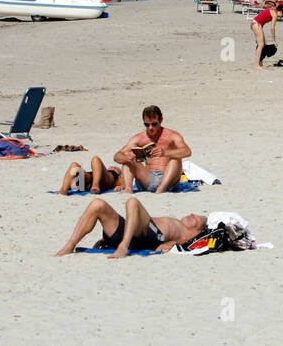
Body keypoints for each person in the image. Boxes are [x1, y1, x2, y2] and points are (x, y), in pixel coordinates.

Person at [54, 198, 207, 259]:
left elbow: (175, 246)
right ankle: (69, 245)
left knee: (132, 202)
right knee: (97, 204)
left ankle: (123, 247)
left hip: (148, 236)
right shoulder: (178, 223)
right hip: (130, 229)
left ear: (198, 230)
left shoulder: (188, 236)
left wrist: (164, 247)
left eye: (197, 218)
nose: (193, 214)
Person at [112, 106, 192, 193]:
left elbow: (187, 151)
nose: (150, 127)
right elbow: (117, 156)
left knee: (176, 158)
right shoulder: (139, 138)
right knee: (127, 157)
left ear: (161, 120)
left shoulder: (172, 135)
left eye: (154, 124)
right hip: (147, 177)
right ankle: (128, 189)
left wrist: (165, 152)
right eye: (147, 124)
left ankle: (161, 188)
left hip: (169, 178)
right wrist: (126, 157)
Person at [58, 155, 128, 195]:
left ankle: (95, 185)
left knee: (95, 159)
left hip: (103, 182)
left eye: (116, 168)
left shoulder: (116, 176)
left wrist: (121, 186)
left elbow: (126, 183)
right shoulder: (98, 169)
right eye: (112, 167)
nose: (113, 167)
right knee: (74, 165)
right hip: (87, 182)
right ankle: (63, 190)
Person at [250, 1, 283, 69]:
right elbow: (272, 28)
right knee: (261, 45)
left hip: (256, 24)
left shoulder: (273, 9)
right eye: (282, 15)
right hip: (256, 24)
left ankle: (260, 63)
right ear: (280, 12)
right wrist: (274, 40)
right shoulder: (275, 14)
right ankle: (257, 65)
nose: (281, 17)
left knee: (264, 44)